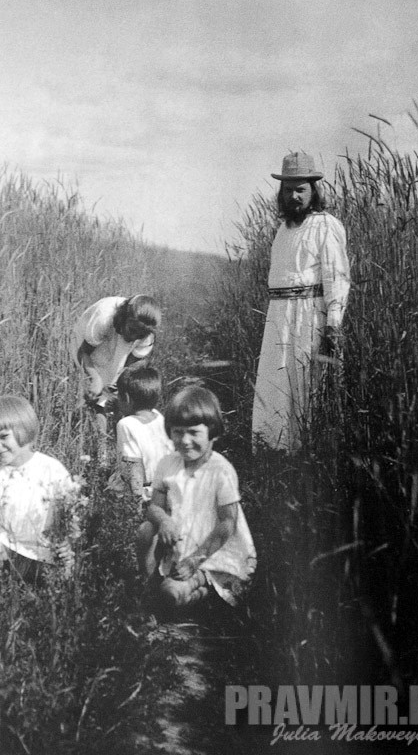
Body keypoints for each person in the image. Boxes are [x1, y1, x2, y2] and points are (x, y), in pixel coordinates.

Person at [252, 152, 350, 453]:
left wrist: (333, 324)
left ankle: (308, 454)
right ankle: (275, 452)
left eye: (300, 189)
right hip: (278, 315)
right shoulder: (282, 231)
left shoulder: (325, 225)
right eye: (288, 190)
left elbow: (337, 276)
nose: (294, 196)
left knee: (306, 387)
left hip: (309, 315)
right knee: (275, 387)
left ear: (313, 191)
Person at [138, 385, 256, 610]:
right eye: (178, 432)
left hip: (211, 552)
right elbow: (154, 507)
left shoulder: (220, 470)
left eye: (193, 432)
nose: (184, 440)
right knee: (146, 530)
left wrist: (195, 560)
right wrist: (164, 520)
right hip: (179, 546)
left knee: (171, 594)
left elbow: (227, 523)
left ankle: (200, 591)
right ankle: (149, 583)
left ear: (212, 432)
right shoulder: (167, 464)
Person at [0, 395, 80, 584]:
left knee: (62, 573)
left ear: (23, 430)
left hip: (41, 545)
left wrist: (66, 541)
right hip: (5, 541)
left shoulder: (51, 468)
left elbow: (70, 513)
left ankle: (37, 580)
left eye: (3, 436)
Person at [71, 294, 161, 446]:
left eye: (139, 335)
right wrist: (96, 379)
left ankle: (117, 445)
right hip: (91, 345)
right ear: (125, 317)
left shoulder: (145, 335)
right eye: (132, 330)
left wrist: (119, 382)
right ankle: (98, 445)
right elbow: (83, 352)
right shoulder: (104, 318)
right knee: (96, 394)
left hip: (119, 349)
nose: (133, 337)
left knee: (110, 395)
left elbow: (131, 364)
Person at [112, 366, 174, 504]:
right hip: (166, 487)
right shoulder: (158, 416)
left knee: (112, 485)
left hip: (145, 493)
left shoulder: (126, 424)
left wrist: (136, 503)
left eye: (118, 395)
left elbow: (133, 466)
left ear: (127, 398)